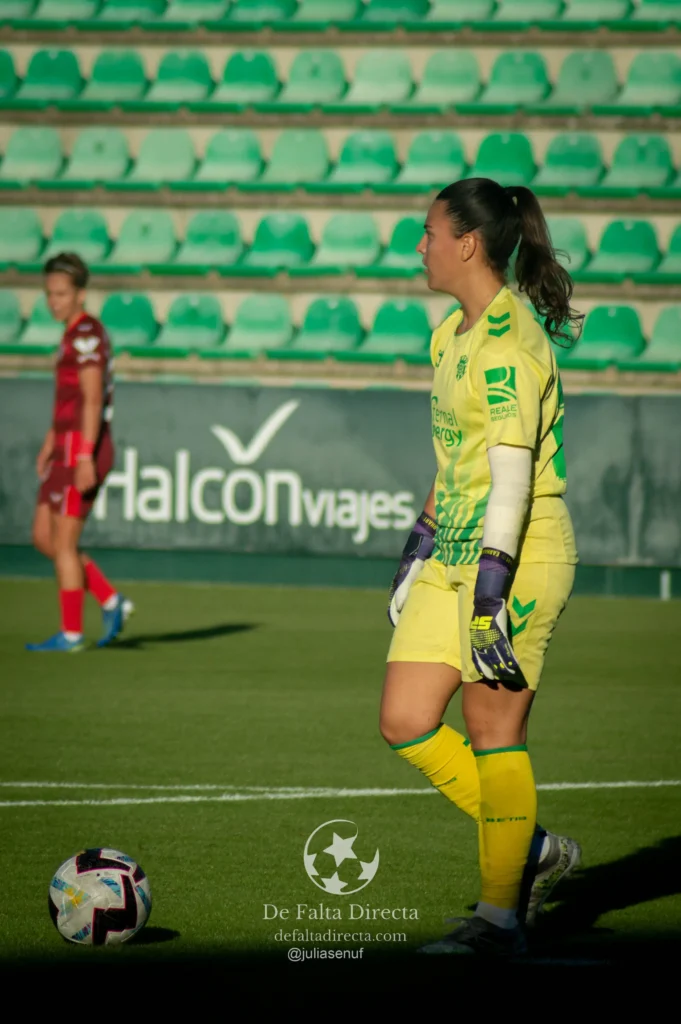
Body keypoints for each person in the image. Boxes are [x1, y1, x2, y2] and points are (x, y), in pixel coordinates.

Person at [380, 179, 583, 957]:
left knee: (491, 727)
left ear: (466, 242)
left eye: (428, 231)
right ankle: (529, 846)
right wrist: (418, 543)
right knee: (403, 718)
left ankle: (500, 919)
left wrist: (490, 590)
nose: (419, 245)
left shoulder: (508, 342)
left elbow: (510, 479)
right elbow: (454, 457)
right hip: (455, 550)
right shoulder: (449, 334)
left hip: (518, 553)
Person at [26, 253, 132, 652]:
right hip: (65, 448)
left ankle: (71, 633)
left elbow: (90, 400)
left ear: (80, 294)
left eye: (61, 294)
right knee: (44, 538)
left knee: (65, 544)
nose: (53, 301)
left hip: (81, 449)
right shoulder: (71, 334)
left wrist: (84, 454)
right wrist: (50, 442)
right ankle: (109, 598)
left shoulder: (87, 335)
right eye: (49, 294)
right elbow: (68, 400)